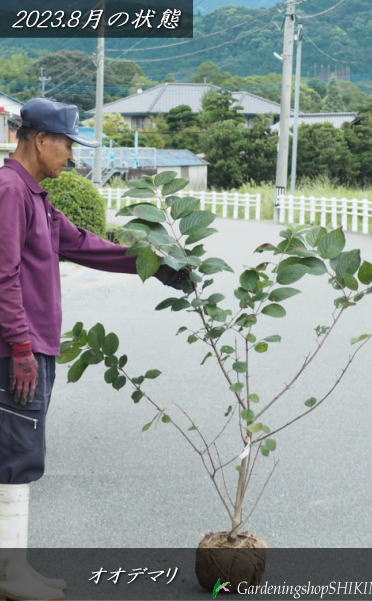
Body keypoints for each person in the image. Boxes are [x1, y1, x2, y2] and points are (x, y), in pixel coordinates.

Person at [0, 98, 190, 601]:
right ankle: (9, 576)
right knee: (15, 454)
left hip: (33, 344)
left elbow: (84, 242)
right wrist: (20, 346)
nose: (71, 156)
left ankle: (13, 568)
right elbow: (2, 275)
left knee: (20, 450)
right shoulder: (8, 192)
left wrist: (153, 262)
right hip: (14, 349)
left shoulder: (35, 195)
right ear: (40, 139)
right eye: (67, 144)